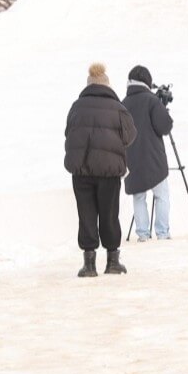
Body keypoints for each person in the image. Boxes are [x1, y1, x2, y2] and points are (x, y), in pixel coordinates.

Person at [64, 63, 137, 277]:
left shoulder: (76, 107)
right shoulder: (118, 108)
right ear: (107, 85)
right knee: (109, 214)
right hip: (109, 171)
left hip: (82, 170)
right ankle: (112, 261)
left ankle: (89, 265)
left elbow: (68, 132)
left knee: (86, 214)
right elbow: (130, 136)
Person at [122, 65, 174, 242]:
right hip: (154, 159)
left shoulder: (123, 104)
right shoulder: (151, 101)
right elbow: (165, 127)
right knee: (161, 195)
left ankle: (143, 235)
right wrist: (162, 107)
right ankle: (162, 233)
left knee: (138, 196)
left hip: (131, 159)